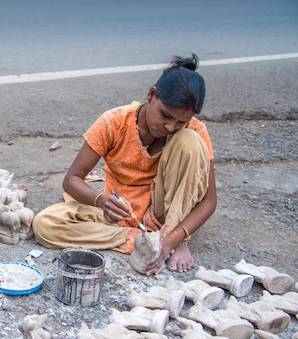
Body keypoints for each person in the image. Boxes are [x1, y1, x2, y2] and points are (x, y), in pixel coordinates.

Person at [32, 54, 216, 275]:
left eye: (180, 121)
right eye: (165, 115)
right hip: (118, 210)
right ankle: (143, 240)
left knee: (190, 141)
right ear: (151, 94)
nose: (170, 126)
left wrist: (176, 236)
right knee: (44, 224)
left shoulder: (194, 130)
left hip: (164, 214)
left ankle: (168, 240)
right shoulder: (114, 122)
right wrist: (101, 200)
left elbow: (208, 201)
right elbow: (72, 180)